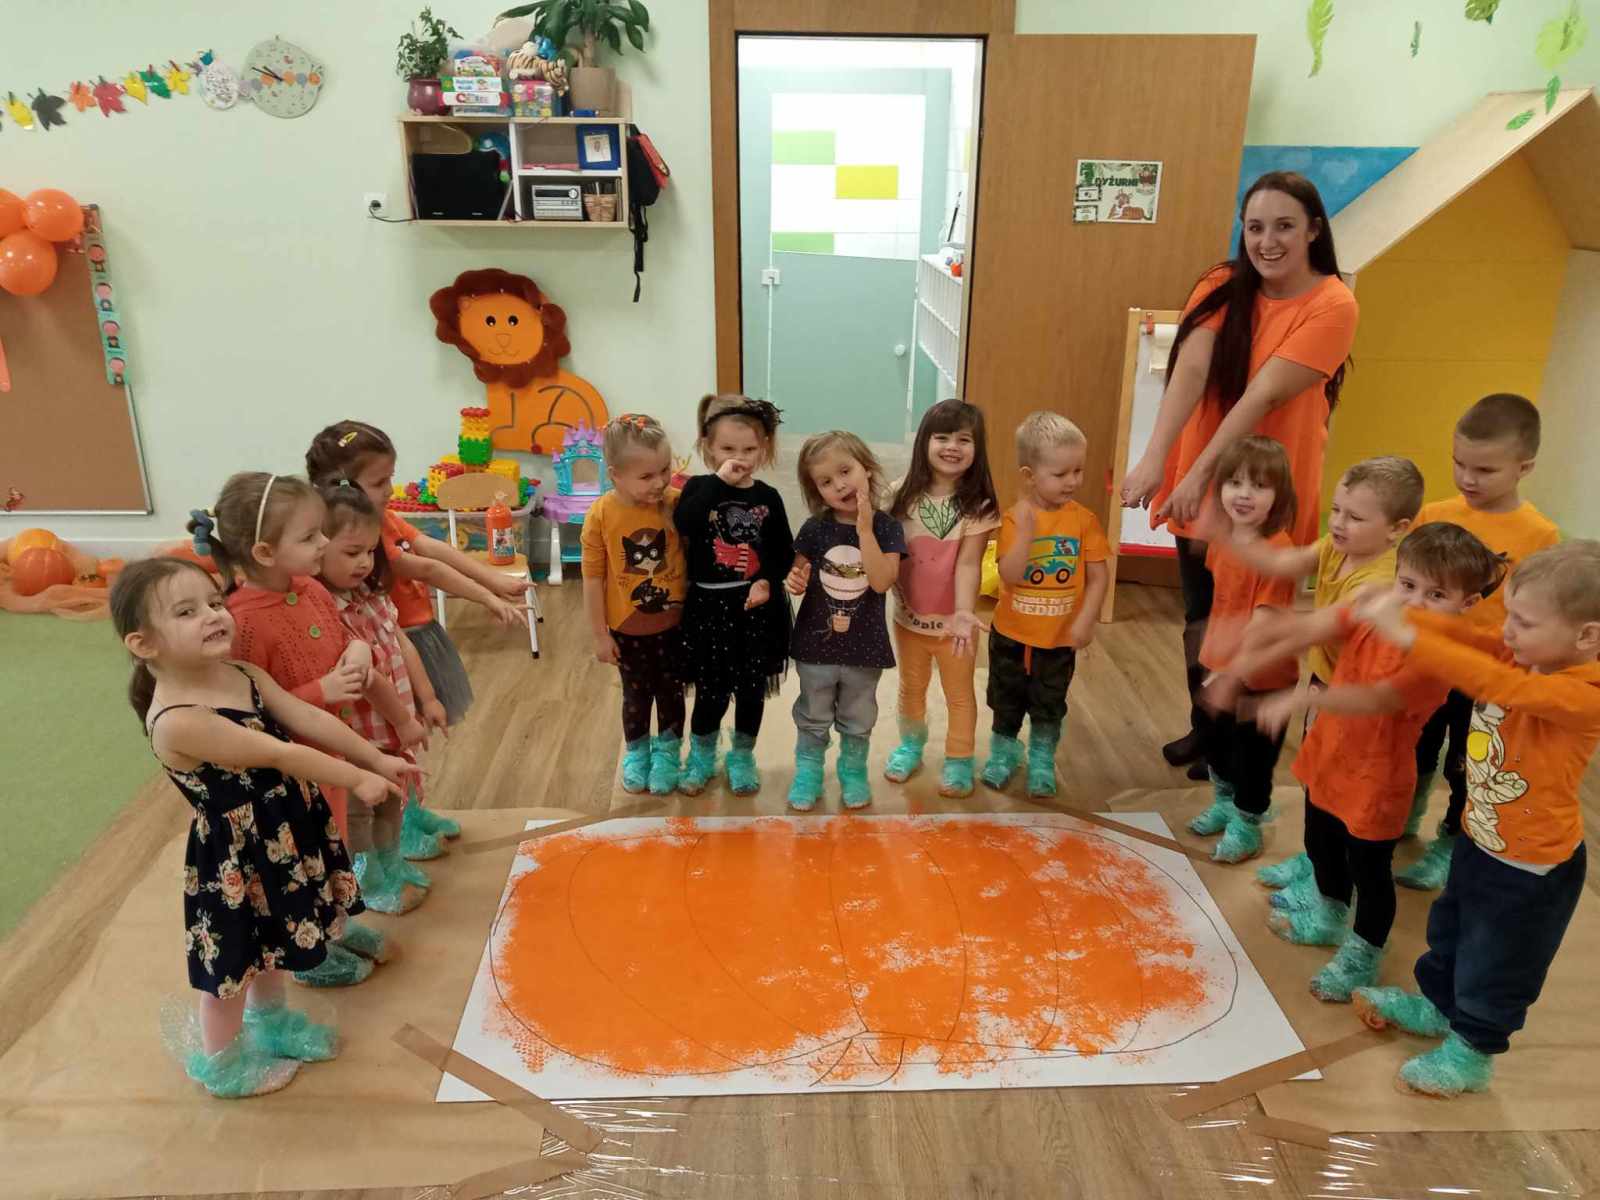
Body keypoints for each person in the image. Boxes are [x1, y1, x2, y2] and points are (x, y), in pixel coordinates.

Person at [111, 557, 412, 1097]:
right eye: (186, 611)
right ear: (143, 643)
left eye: (214, 602)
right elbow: (280, 752)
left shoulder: (243, 675)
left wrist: (375, 758)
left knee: (275, 942)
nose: (212, 615)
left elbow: (308, 717)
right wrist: (357, 777)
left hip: (282, 831)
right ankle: (223, 1064)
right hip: (236, 855)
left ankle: (272, 1023)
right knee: (233, 967)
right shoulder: (178, 719)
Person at [1120, 172, 1359, 779]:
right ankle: (1207, 732)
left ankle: (1236, 755)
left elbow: (1261, 397)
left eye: (1284, 226)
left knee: (1254, 624)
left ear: (1313, 230)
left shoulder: (1333, 303)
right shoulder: (1221, 284)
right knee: (1203, 614)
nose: (1267, 241)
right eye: (1255, 227)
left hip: (1269, 495)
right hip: (1204, 482)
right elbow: (1191, 372)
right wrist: (1154, 458)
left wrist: (1196, 476)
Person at [1349, 541, 1600, 1097]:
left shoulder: (1585, 693)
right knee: (1451, 928)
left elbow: (1499, 685)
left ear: (1587, 637)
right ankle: (1439, 1006)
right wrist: (1412, 614)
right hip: (1481, 835)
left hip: (1531, 867)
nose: (1508, 631)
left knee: (1498, 960)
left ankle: (1473, 1051)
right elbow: (1480, 642)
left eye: (1524, 622)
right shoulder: (1525, 653)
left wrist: (1409, 637)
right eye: (1509, 614)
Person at [1231, 523, 1500, 1002]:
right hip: (1329, 756)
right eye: (1407, 584)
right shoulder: (1379, 607)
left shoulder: (1439, 656)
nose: (1415, 602)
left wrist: (1298, 701)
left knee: (1369, 872)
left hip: (1376, 779)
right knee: (1320, 842)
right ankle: (1330, 913)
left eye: (1436, 594)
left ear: (1468, 603)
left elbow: (1379, 699)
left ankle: (1363, 952)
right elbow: (1323, 625)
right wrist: (1267, 633)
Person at [194, 472, 405, 986]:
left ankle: (334, 925)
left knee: (337, 848)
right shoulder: (242, 622)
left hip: (333, 753)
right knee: (304, 863)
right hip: (288, 776)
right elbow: (248, 713)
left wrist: (358, 649)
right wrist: (321, 691)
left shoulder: (311, 589)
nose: (325, 544)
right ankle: (310, 954)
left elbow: (343, 638)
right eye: (310, 537)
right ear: (265, 552)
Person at [306, 420, 524, 858]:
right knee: (392, 740)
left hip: (400, 639)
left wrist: (492, 583)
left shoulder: (377, 522)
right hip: (389, 644)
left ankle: (411, 811)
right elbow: (426, 567)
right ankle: (399, 827)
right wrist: (489, 592)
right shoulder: (353, 542)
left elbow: (431, 550)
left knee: (410, 736)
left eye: (390, 477)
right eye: (379, 482)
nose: (390, 489)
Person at [1208, 456, 1423, 890]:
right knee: (1316, 779)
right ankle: (1315, 858)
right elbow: (1286, 564)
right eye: (1337, 510)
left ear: (1397, 529)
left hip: (1357, 700)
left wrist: (1246, 656)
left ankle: (1330, 880)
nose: (1338, 523)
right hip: (1324, 683)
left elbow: (1316, 627)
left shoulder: (1380, 582)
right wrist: (1236, 538)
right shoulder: (1335, 546)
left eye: (1355, 517)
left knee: (1340, 791)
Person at [1399, 394, 1560, 889]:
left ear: (1524, 467)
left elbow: (1535, 617)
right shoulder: (1434, 514)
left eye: (1484, 470)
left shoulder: (1540, 536)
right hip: (1425, 665)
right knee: (1414, 747)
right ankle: (1404, 813)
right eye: (1459, 463)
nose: (1467, 478)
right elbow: (1403, 587)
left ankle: (1451, 840)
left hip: (1487, 680)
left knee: (1468, 763)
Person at [317, 483, 437, 914]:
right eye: (352, 552)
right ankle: (368, 881)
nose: (365, 562)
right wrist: (404, 720)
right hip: (358, 739)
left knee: (391, 801)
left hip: (389, 731)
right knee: (361, 813)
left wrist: (425, 699)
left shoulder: (369, 596)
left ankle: (391, 863)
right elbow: (365, 680)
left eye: (370, 551)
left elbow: (402, 643)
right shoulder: (326, 612)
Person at [1184, 436, 1299, 863]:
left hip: (1262, 679)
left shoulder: (1278, 553)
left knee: (1253, 758)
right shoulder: (1224, 541)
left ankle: (1247, 823)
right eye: (1234, 483)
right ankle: (1224, 802)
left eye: (1259, 485)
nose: (1244, 494)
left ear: (1279, 496)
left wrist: (1233, 674)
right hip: (1218, 664)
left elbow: (1263, 623)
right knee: (1214, 741)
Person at [982, 412, 1108, 799]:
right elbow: (1010, 575)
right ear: (1030, 475)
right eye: (1060, 473)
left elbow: (1099, 577)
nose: (1072, 481)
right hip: (1011, 637)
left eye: (1078, 470)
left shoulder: (1084, 521)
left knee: (1049, 704)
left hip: (1058, 641)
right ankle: (1004, 753)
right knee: (1006, 701)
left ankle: (1040, 758)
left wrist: (1086, 621)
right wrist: (1026, 532)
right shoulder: (1014, 519)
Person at [673, 395, 794, 795]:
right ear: (707, 447)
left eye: (749, 449)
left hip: (756, 608)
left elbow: (783, 552)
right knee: (711, 690)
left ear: (764, 449)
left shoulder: (768, 497)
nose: (738, 458)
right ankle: (702, 756)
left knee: (751, 689)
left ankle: (742, 756)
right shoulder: (699, 488)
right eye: (727, 448)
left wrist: (768, 581)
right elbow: (685, 523)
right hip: (708, 608)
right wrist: (719, 483)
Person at [883, 400, 1001, 798]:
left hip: (956, 627)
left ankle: (959, 758)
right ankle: (911, 746)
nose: (952, 446)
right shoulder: (898, 494)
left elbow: (968, 564)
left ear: (977, 449)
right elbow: (884, 552)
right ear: (924, 442)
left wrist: (964, 612)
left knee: (959, 693)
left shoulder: (979, 505)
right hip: (908, 621)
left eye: (964, 439)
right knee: (911, 688)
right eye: (943, 437)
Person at [784, 432, 906, 810]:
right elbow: (797, 573)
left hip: (864, 647)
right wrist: (794, 580)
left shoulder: (886, 527)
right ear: (817, 492)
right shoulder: (814, 528)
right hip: (815, 645)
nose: (839, 485)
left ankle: (853, 772)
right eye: (825, 481)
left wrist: (864, 530)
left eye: (845, 471)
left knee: (858, 716)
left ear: (866, 469)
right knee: (812, 714)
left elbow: (882, 581)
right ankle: (808, 772)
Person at [581, 414, 688, 795]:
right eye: (646, 476)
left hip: (675, 625)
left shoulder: (677, 503)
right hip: (627, 629)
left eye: (665, 470)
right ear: (615, 475)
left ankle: (668, 755)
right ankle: (638, 754)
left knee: (672, 693)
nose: (660, 482)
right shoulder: (601, 515)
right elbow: (592, 579)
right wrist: (599, 635)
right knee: (636, 696)